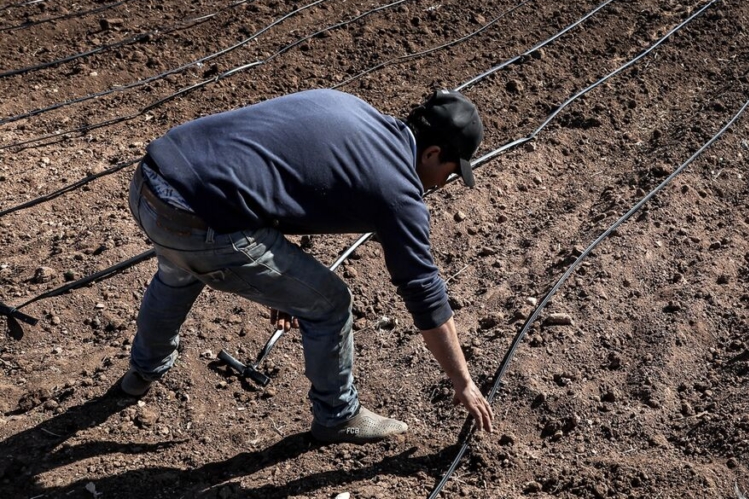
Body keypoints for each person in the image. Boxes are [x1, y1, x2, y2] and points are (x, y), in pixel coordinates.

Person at [121, 88, 494, 443]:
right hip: (198, 222)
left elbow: (275, 171)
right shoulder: (399, 193)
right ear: (432, 154)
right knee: (330, 304)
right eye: (451, 172)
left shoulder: (350, 108)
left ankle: (142, 371)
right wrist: (462, 380)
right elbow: (423, 291)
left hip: (152, 181)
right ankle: (338, 415)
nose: (444, 184)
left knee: (179, 272)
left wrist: (280, 288)